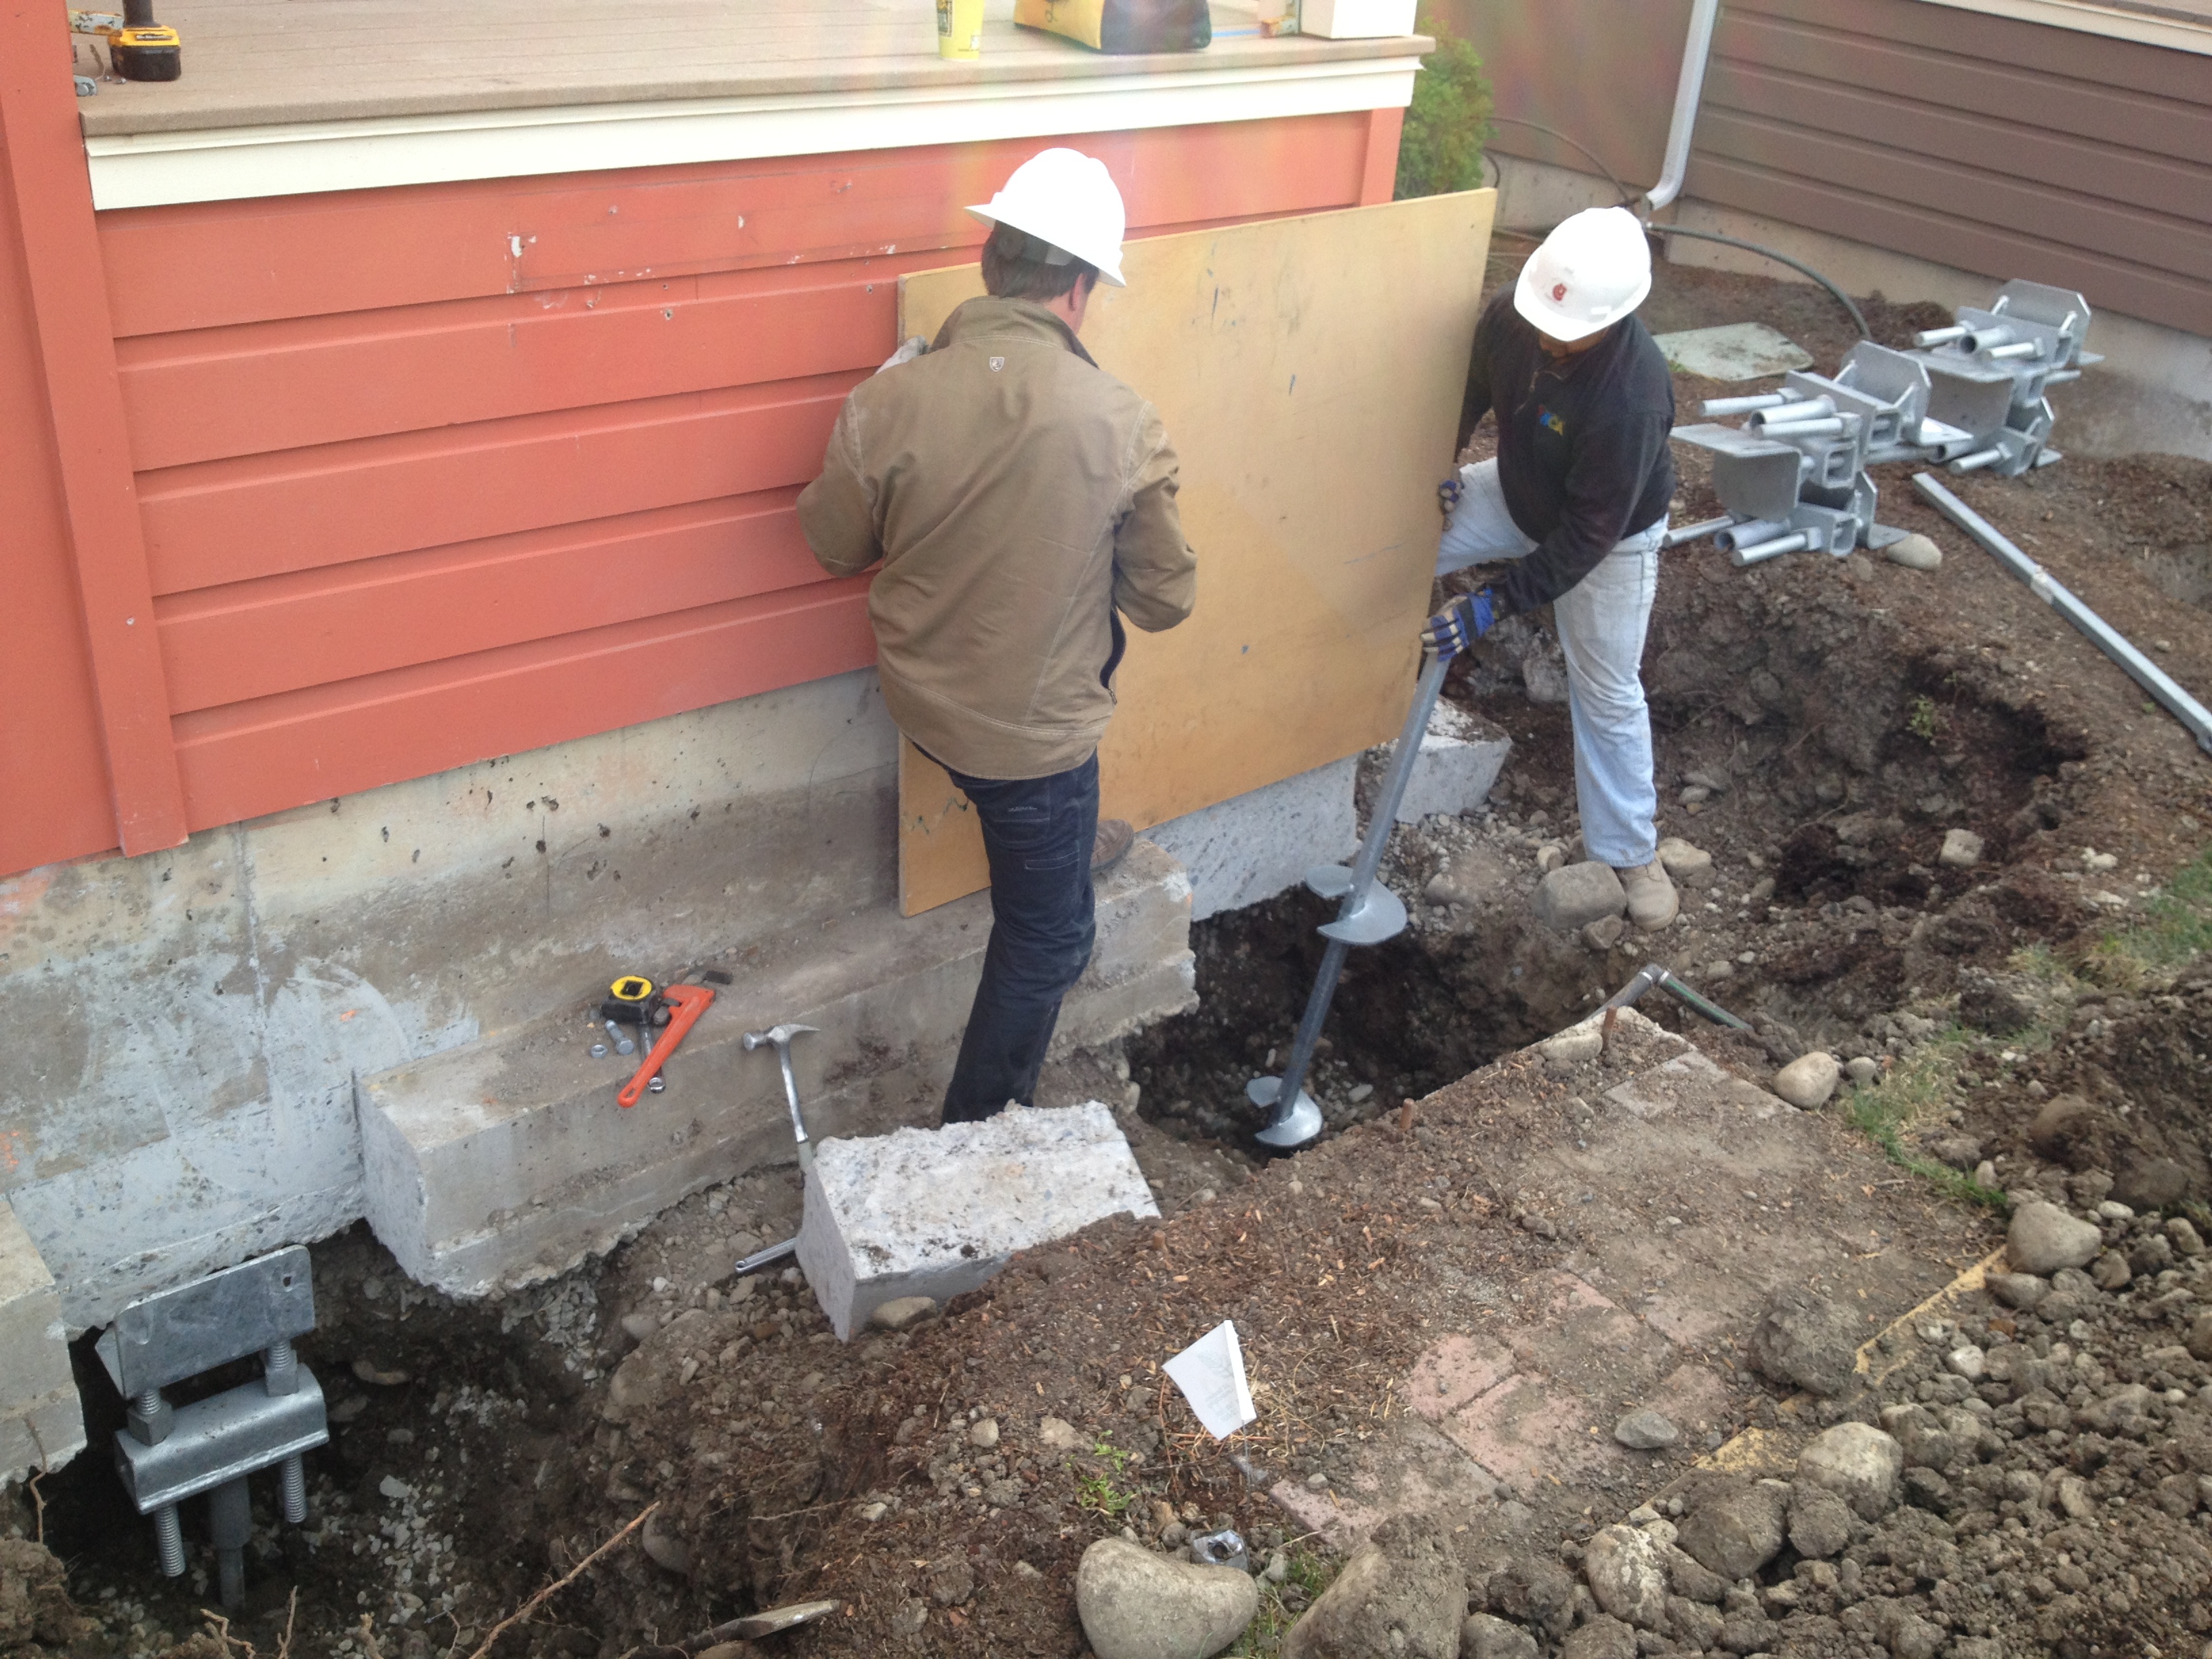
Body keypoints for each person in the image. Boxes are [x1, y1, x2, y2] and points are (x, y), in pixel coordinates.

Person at [796, 148, 1196, 1123]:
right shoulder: (1119, 421)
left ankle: (1054, 843)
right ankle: (974, 1129)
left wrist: (877, 412)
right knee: (1052, 942)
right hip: (1025, 742)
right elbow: (1163, 602)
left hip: (921, 700)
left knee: (1033, 809)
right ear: (1079, 289)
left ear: (989, 263)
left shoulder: (889, 397)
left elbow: (829, 544)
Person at [1422, 205, 1681, 930]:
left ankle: (1630, 851)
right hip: (1515, 488)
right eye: (1543, 320)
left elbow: (1584, 538)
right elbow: (1470, 386)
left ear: (1617, 318)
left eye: (1569, 333)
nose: (1548, 337)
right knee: (1392, 546)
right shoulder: (1514, 316)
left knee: (1604, 687)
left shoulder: (1630, 398)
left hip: (1609, 539)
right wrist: (1439, 455)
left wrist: (1488, 605)